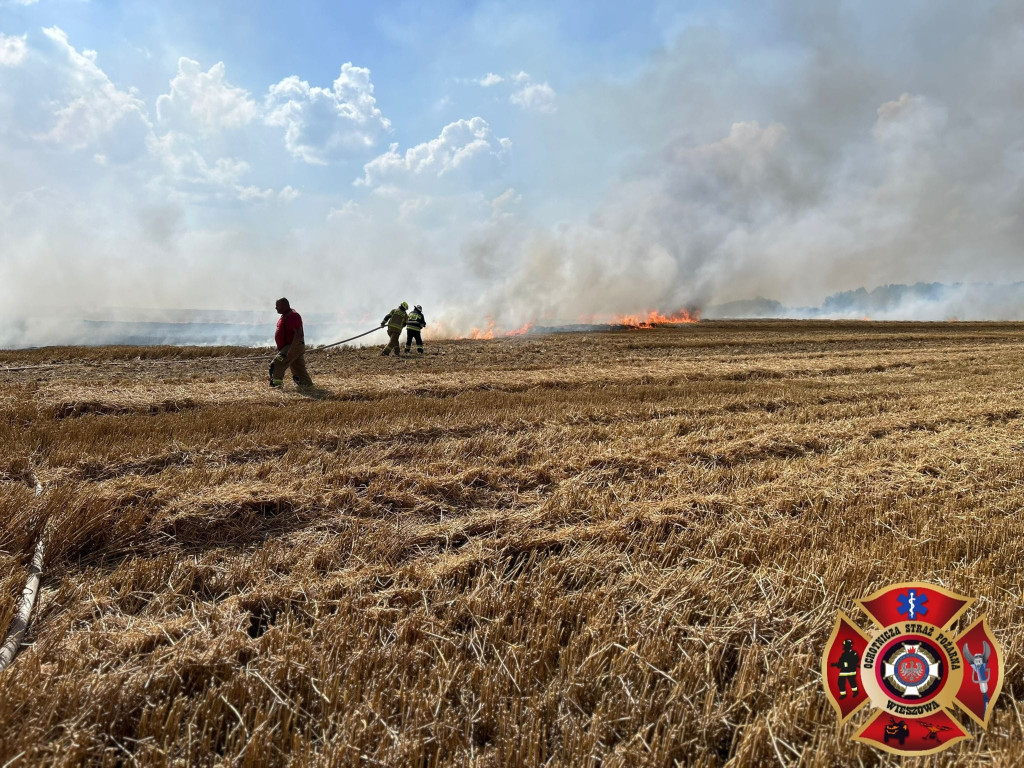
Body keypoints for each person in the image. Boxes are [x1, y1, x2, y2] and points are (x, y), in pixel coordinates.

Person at [270, 297, 313, 387]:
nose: (276, 308)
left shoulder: (293, 316)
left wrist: (291, 350)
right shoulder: (285, 316)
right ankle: (307, 385)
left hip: (293, 345)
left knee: (277, 363)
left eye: (277, 305)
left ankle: (276, 386)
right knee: (298, 368)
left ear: (285, 305)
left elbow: (298, 333)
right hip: (289, 347)